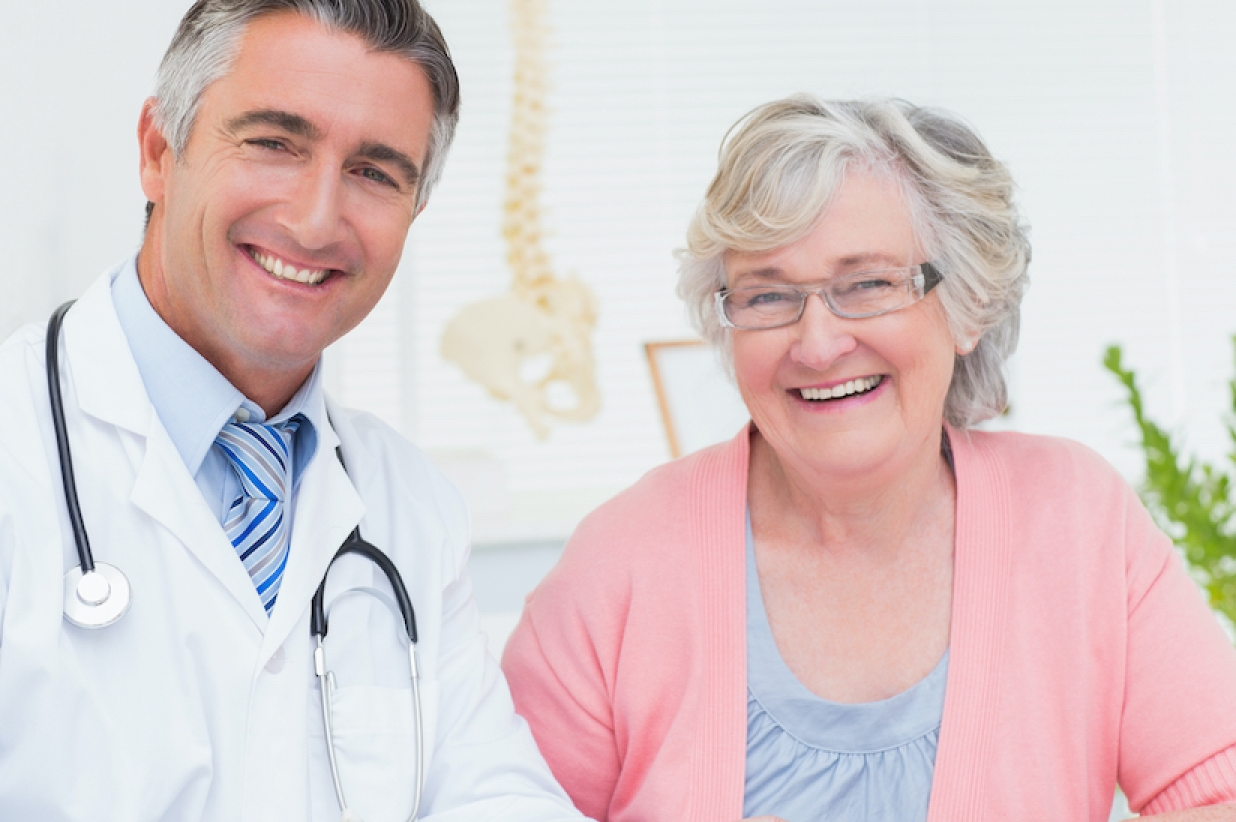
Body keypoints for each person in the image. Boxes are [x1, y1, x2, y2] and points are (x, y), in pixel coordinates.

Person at [0, 0, 586, 822]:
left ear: (415, 210)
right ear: (157, 151)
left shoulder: (410, 509)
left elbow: (495, 797)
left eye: (373, 172)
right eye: (274, 143)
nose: (316, 219)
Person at [501, 95, 1236, 822]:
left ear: (968, 304)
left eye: (869, 284)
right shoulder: (621, 561)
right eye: (768, 296)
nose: (818, 344)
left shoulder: (1079, 519)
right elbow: (492, 802)